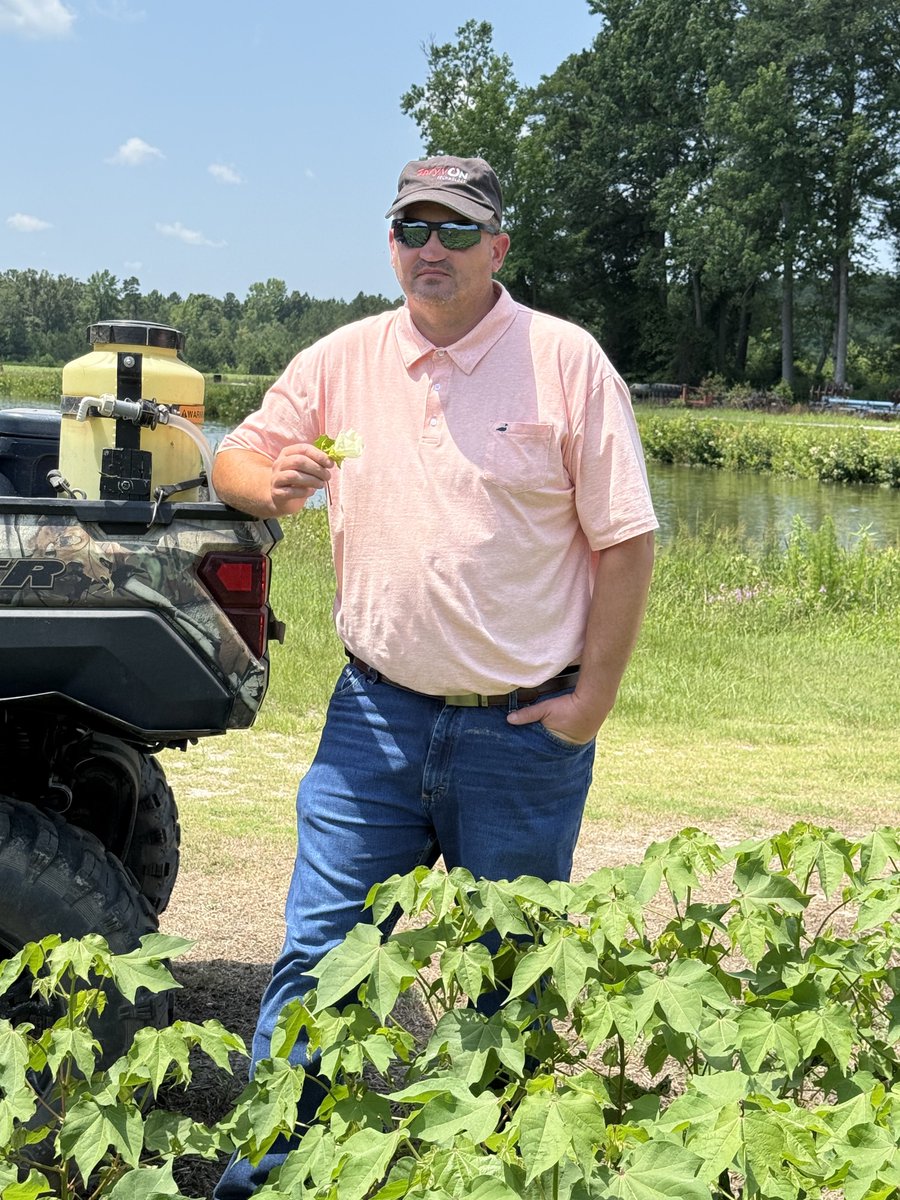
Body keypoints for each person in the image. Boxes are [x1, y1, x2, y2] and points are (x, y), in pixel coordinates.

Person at [212, 154, 657, 1197]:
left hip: (520, 735)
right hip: (372, 719)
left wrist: (591, 701)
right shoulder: (344, 358)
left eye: (456, 231)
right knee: (319, 961)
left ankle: (489, 1176)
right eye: (412, 227)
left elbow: (627, 545)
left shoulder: (567, 362)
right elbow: (235, 455)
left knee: (507, 982)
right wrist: (268, 484)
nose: (430, 249)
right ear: (391, 242)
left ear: (498, 247)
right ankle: (273, 1179)